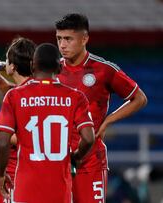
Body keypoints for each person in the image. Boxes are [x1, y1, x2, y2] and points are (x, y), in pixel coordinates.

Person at [55, 13, 148, 203]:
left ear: (84, 38)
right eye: (59, 39)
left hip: (90, 160)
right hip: (57, 159)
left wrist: (107, 121)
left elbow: (139, 99)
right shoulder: (52, 70)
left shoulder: (104, 69)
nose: (62, 45)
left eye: (68, 39)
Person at [0, 43, 95, 202]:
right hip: (60, 192)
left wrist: (1, 174)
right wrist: (75, 157)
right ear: (59, 68)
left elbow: (2, 143)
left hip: (25, 191)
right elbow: (89, 138)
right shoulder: (76, 97)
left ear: (32, 65)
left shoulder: (14, 96)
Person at [0, 37, 36, 203]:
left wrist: (0, 135)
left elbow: (33, 138)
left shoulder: (20, 94)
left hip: (18, 170)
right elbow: (12, 94)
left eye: (7, 60)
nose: (4, 63)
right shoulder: (33, 88)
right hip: (34, 170)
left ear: (12, 66)